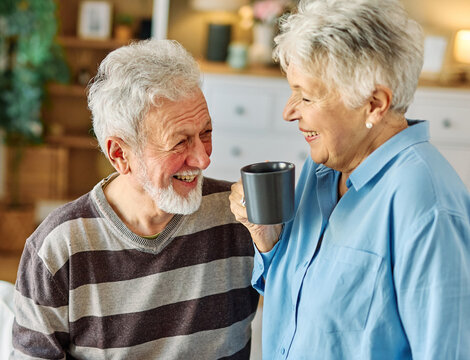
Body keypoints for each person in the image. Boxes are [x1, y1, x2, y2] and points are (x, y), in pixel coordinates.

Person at [230, 0, 470, 359]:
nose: (288, 112)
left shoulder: (427, 206)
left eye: (306, 96)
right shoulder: (325, 167)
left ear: (374, 104)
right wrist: (269, 242)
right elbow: (304, 304)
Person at [11, 39, 259, 359]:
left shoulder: (240, 215)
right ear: (120, 154)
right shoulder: (58, 248)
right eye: (180, 142)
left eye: (206, 133)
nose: (203, 159)